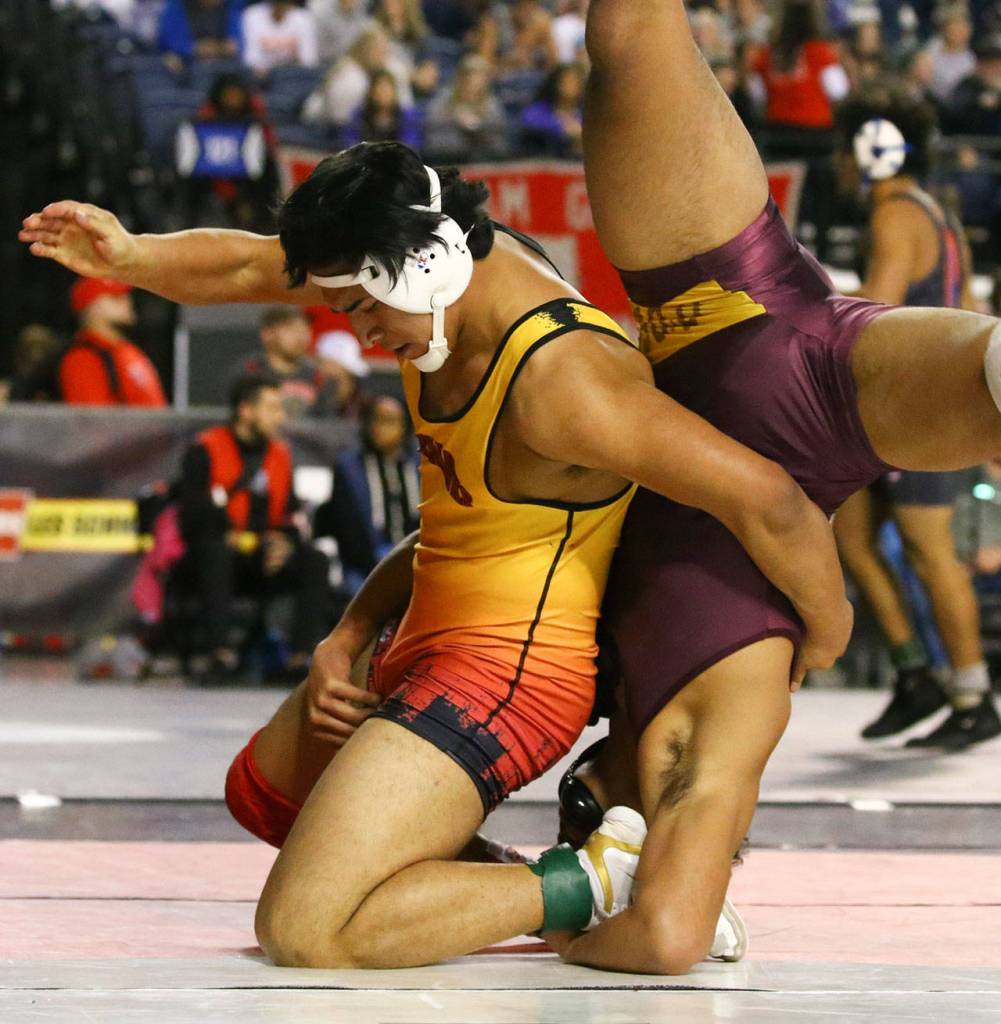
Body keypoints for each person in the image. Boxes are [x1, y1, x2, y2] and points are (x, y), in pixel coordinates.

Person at [20, 141, 852, 970]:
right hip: (426, 628)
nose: (360, 333)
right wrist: (129, 256)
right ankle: (488, 890)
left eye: (359, 311)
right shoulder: (434, 279)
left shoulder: (568, 384)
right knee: (265, 795)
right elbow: (246, 268)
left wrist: (826, 634)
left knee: (305, 928)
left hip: (506, 678)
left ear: (419, 267)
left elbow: (767, 498)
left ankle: (596, 879)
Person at [543, 0, 1001, 974]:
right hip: (789, 380)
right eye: (580, 807)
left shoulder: (590, 693)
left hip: (712, 317)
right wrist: (565, 904)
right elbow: (667, 936)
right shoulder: (700, 728)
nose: (573, 784)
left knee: (622, 36)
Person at [831, 90, 1001, 749]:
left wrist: (814, 297)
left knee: (932, 555)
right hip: (907, 407)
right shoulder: (939, 213)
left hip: (913, 408)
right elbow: (963, 301)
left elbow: (874, 313)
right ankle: (914, 675)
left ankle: (971, 692)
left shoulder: (894, 217)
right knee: (850, 536)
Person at [176, 372, 331, 680]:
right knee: (214, 552)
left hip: (261, 557)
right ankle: (218, 654)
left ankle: (299, 659)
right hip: (216, 555)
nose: (280, 416)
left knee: (314, 560)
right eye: (272, 408)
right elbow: (192, 515)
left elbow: (290, 513)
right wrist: (227, 534)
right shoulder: (205, 448)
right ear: (246, 410)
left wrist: (283, 543)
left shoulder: (280, 454)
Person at [314, 394, 419, 594]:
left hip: (414, 560)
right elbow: (347, 527)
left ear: (405, 426)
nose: (379, 428)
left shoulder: (420, 466)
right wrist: (378, 566)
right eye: (375, 420)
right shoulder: (349, 468)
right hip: (365, 564)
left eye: (389, 421)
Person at [59, 277, 167, 407]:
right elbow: (93, 421)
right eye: (116, 297)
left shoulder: (128, 349)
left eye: (125, 296)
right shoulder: (82, 358)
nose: (126, 301)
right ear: (93, 307)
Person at [238, 306, 342, 418]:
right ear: (268, 334)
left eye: (305, 329)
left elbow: (328, 424)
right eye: (291, 329)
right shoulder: (249, 372)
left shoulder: (318, 378)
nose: (300, 336)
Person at [424, 54, 510, 163]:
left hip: (481, 156)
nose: (475, 83)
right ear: (461, 79)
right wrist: (455, 120)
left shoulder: (491, 103)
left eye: (481, 78)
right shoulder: (444, 100)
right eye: (471, 77)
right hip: (448, 155)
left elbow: (498, 137)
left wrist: (477, 127)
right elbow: (432, 131)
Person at [341, 68, 423, 149]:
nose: (383, 94)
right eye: (380, 90)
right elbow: (352, 146)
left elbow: (409, 146)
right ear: (372, 93)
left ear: (394, 93)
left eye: (387, 90)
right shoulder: (359, 117)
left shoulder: (406, 117)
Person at [520, 63, 585, 158]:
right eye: (566, 81)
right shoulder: (539, 108)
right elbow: (528, 121)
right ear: (556, 83)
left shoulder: (587, 112)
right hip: (544, 159)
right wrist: (561, 127)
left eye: (575, 81)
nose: (570, 86)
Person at [157, 0, 242, 71]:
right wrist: (193, 48)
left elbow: (235, 44)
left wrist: (217, 48)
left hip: (222, 66)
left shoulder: (230, 5)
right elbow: (170, 42)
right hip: (187, 66)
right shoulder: (177, 5)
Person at [241, 0, 320, 75]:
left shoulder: (303, 18)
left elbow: (309, 60)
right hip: (264, 77)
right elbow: (251, 58)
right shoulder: (252, 15)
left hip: (294, 76)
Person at [314, 328, 369, 418]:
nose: (348, 385)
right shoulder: (308, 400)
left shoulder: (363, 408)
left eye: (349, 377)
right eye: (342, 378)